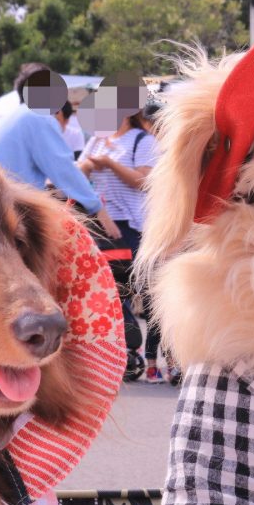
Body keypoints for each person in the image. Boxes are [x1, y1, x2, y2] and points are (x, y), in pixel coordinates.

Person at [0, 62, 117, 237]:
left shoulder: (1, 122)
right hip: (15, 218)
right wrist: (97, 208)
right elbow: (64, 170)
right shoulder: (38, 116)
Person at [78, 106, 164, 381]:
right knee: (105, 291)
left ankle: (135, 349)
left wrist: (111, 165)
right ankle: (119, 349)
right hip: (97, 224)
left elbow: (144, 180)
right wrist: (88, 166)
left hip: (128, 227)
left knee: (126, 290)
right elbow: (76, 174)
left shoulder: (142, 140)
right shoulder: (97, 139)